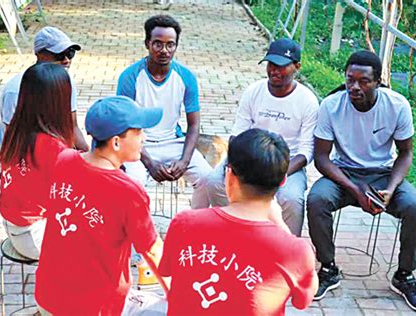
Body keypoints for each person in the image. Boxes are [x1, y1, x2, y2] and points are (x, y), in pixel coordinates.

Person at [307, 51, 416, 312]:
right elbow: (321, 158)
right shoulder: (331, 105)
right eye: (350, 79)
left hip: (383, 174)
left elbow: (406, 154)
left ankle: (404, 275)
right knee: (317, 199)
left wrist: (390, 190)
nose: (354, 87)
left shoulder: (397, 105)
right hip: (344, 174)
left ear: (378, 81)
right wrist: (355, 189)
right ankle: (328, 269)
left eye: (363, 81)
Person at [159, 128, 318, 315]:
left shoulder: (184, 222)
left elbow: (167, 272)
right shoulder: (296, 250)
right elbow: (303, 299)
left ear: (229, 174)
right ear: (283, 181)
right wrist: (280, 224)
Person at [35, 96, 168, 314]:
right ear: (116, 142)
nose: (144, 138)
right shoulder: (128, 191)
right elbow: (153, 252)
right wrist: (179, 295)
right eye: (138, 132)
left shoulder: (64, 160)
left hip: (47, 298)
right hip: (95, 308)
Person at [206, 38, 319, 236]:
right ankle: (229, 233)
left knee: (292, 198)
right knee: (215, 180)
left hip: (286, 165)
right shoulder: (254, 91)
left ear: (297, 67)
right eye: (271, 65)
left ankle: (288, 248)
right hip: (251, 158)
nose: (274, 71)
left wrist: (280, 174)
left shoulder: (307, 101)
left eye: (282, 66)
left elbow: (306, 152)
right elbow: (237, 134)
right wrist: (236, 165)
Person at [117, 14, 212, 208]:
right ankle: (137, 233)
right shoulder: (130, 76)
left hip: (172, 142)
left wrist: (185, 161)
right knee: (133, 184)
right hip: (138, 144)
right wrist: (149, 164)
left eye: (170, 45)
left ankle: (195, 224)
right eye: (158, 44)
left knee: (208, 179)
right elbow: (123, 124)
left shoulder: (185, 77)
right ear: (147, 44)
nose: (164, 50)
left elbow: (194, 124)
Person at [0, 63, 74, 260]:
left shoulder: (16, 131)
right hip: (34, 235)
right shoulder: (54, 148)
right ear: (59, 101)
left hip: (14, 226)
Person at [0, 26, 89, 152]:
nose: (66, 60)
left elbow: (72, 126)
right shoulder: (15, 91)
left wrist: (89, 156)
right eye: (59, 55)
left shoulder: (65, 80)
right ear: (39, 54)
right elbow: (13, 139)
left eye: (70, 53)